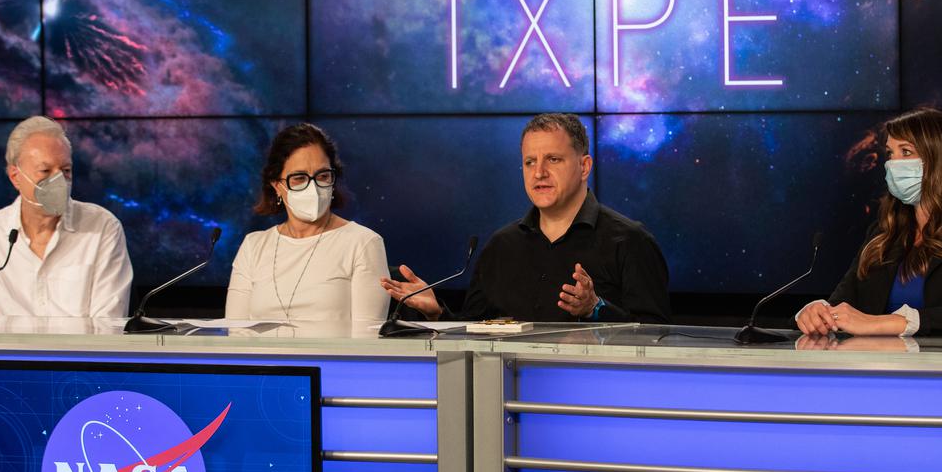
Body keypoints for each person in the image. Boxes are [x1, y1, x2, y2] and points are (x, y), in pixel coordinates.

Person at [380, 113, 671, 323]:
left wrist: (596, 308)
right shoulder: (501, 246)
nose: (539, 172)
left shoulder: (631, 241)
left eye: (553, 160)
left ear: (584, 167)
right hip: (512, 401)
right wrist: (437, 313)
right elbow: (474, 330)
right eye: (530, 162)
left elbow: (657, 339)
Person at [796, 107, 942, 337]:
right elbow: (842, 304)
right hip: (878, 368)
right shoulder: (882, 234)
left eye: (906, 152)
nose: (893, 164)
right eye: (890, 154)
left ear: (940, 160)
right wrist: (816, 313)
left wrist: (882, 324)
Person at [0, 116, 133, 318]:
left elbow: (108, 325)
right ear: (15, 177)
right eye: (45, 171)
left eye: (66, 170)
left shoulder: (102, 227)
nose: (59, 181)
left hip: (80, 350)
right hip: (9, 350)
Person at [226, 123, 389, 334]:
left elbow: (367, 342)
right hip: (264, 366)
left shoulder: (363, 243)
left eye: (322, 176)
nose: (313, 187)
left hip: (332, 367)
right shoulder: (253, 246)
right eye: (300, 178)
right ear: (277, 186)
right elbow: (235, 336)